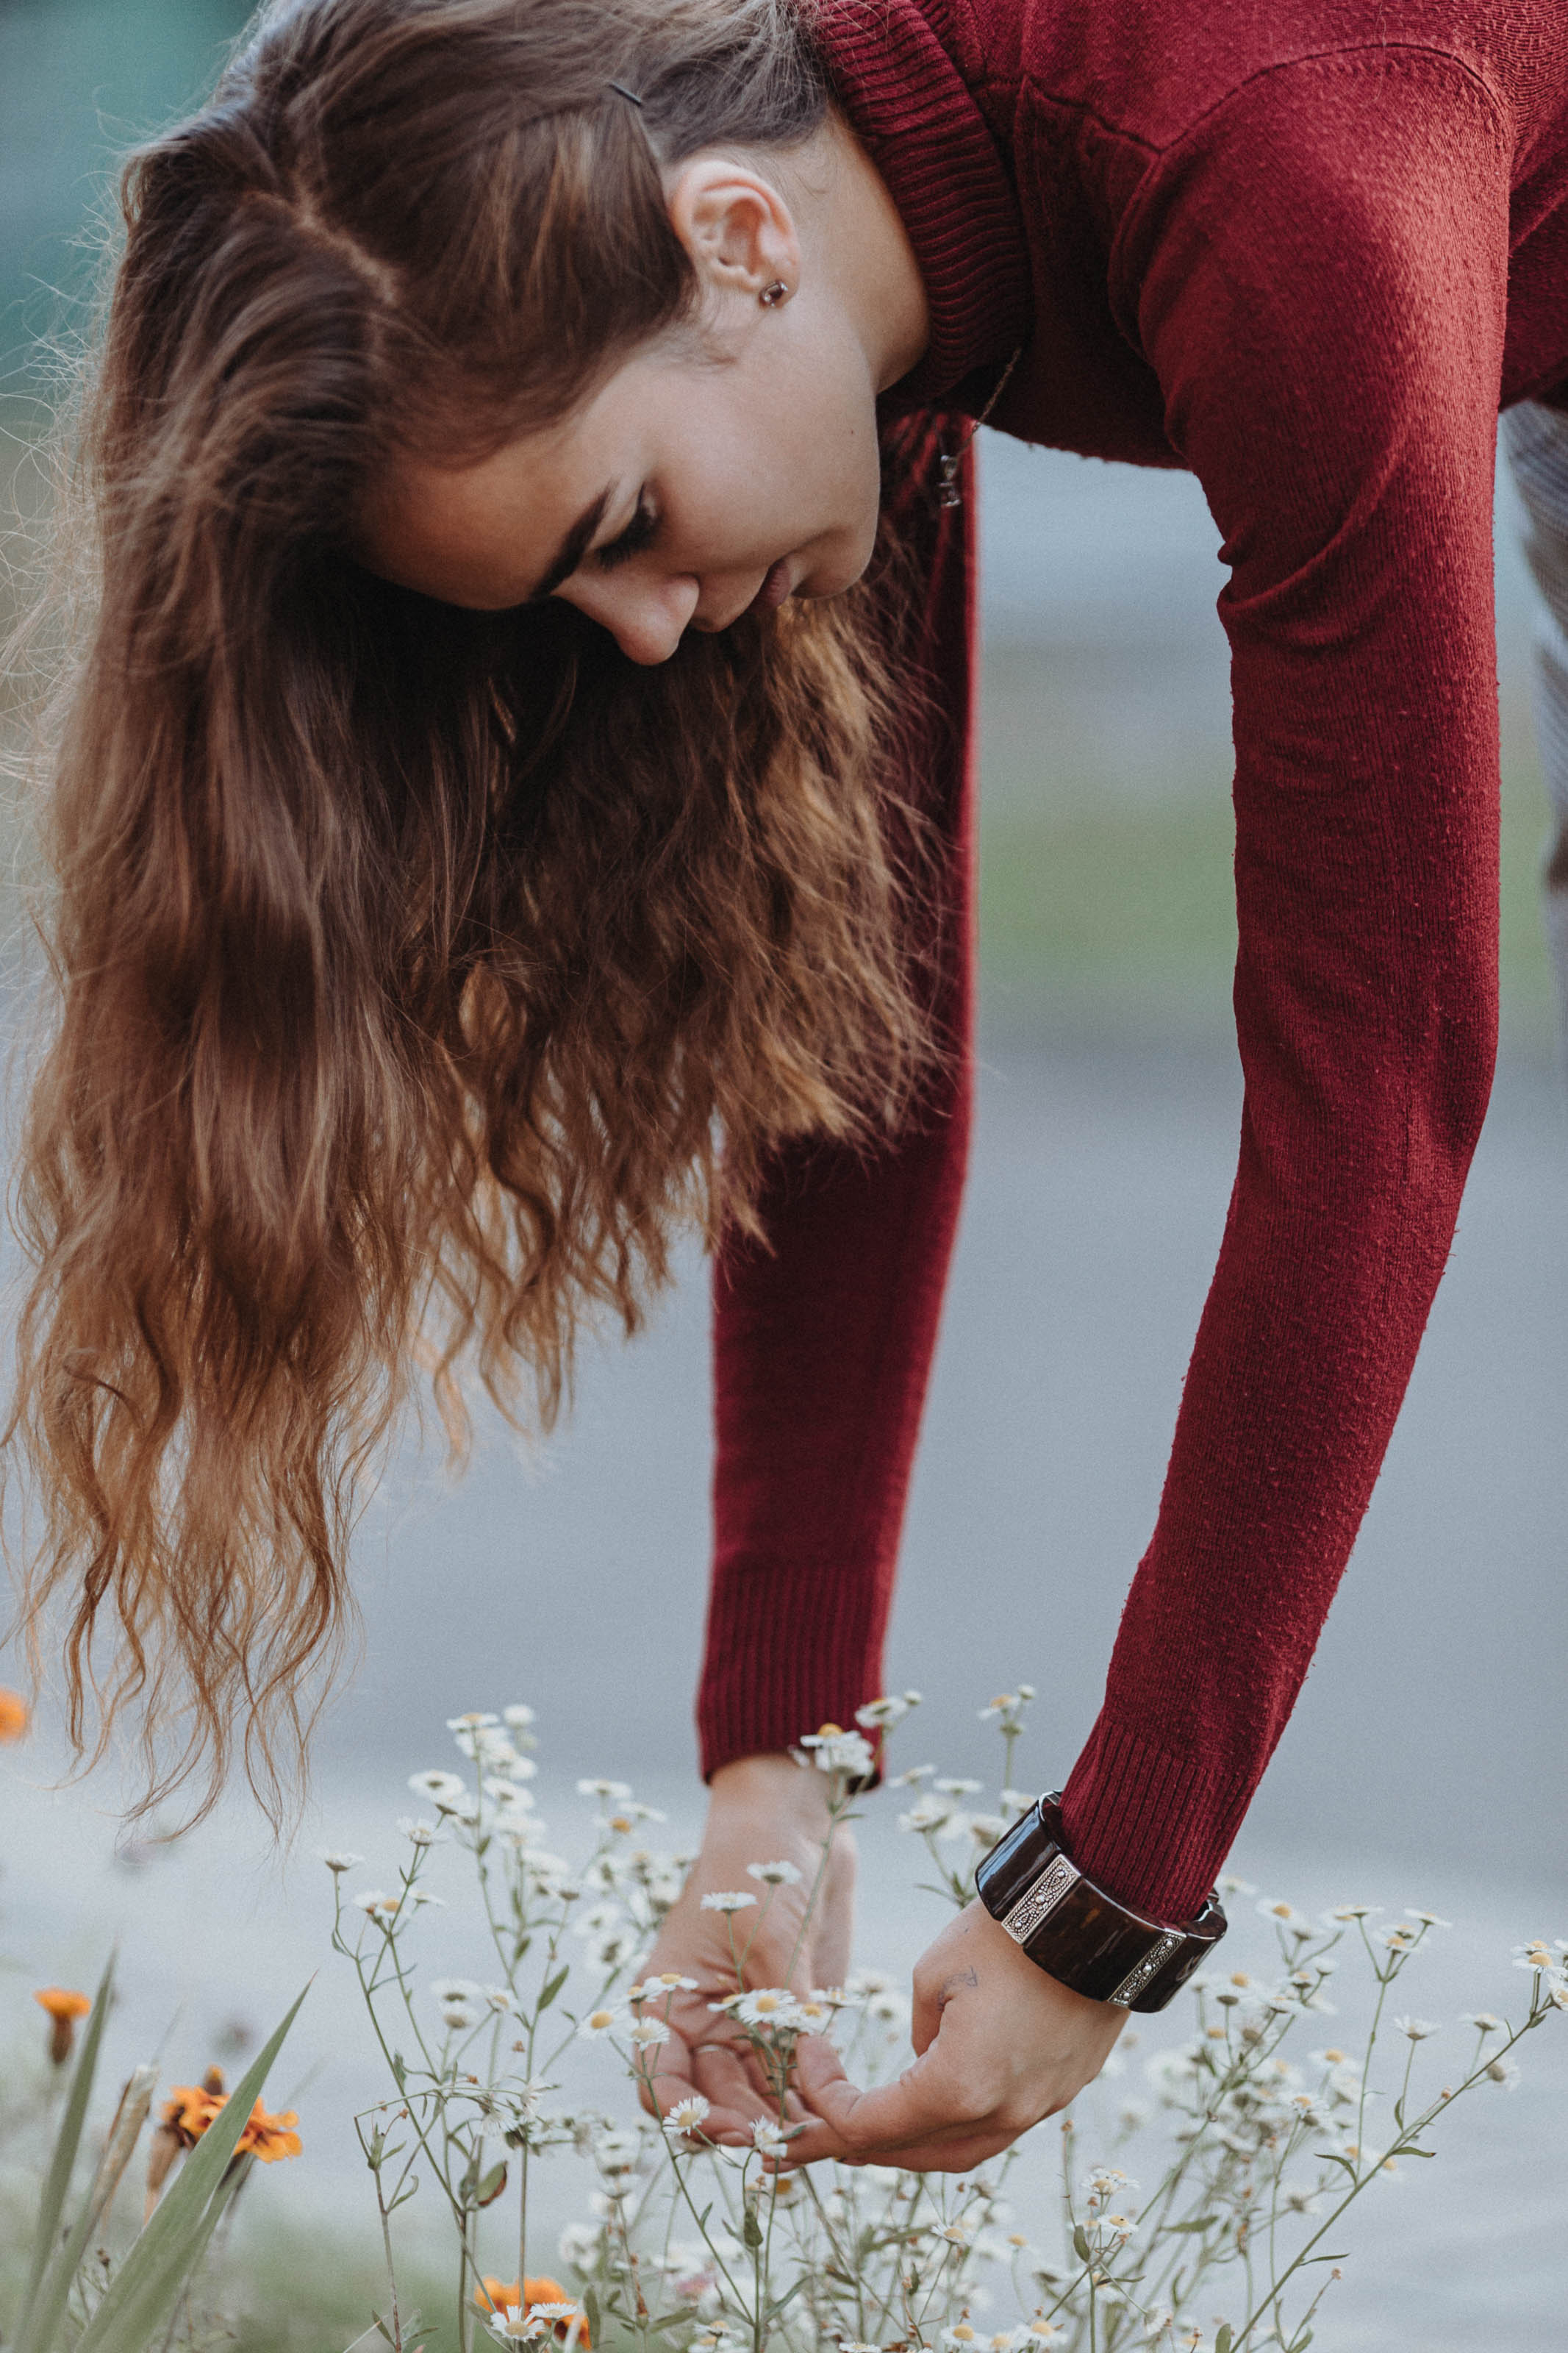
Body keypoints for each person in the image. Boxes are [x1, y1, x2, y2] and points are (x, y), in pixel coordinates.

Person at [6, 0, 1567, 2174]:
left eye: (623, 523)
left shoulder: (1283, 162)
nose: (646, 630)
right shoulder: (857, 259)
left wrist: (1103, 1898)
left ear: (730, 243)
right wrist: (779, 1765)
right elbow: (854, 1035)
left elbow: (1381, 1064)